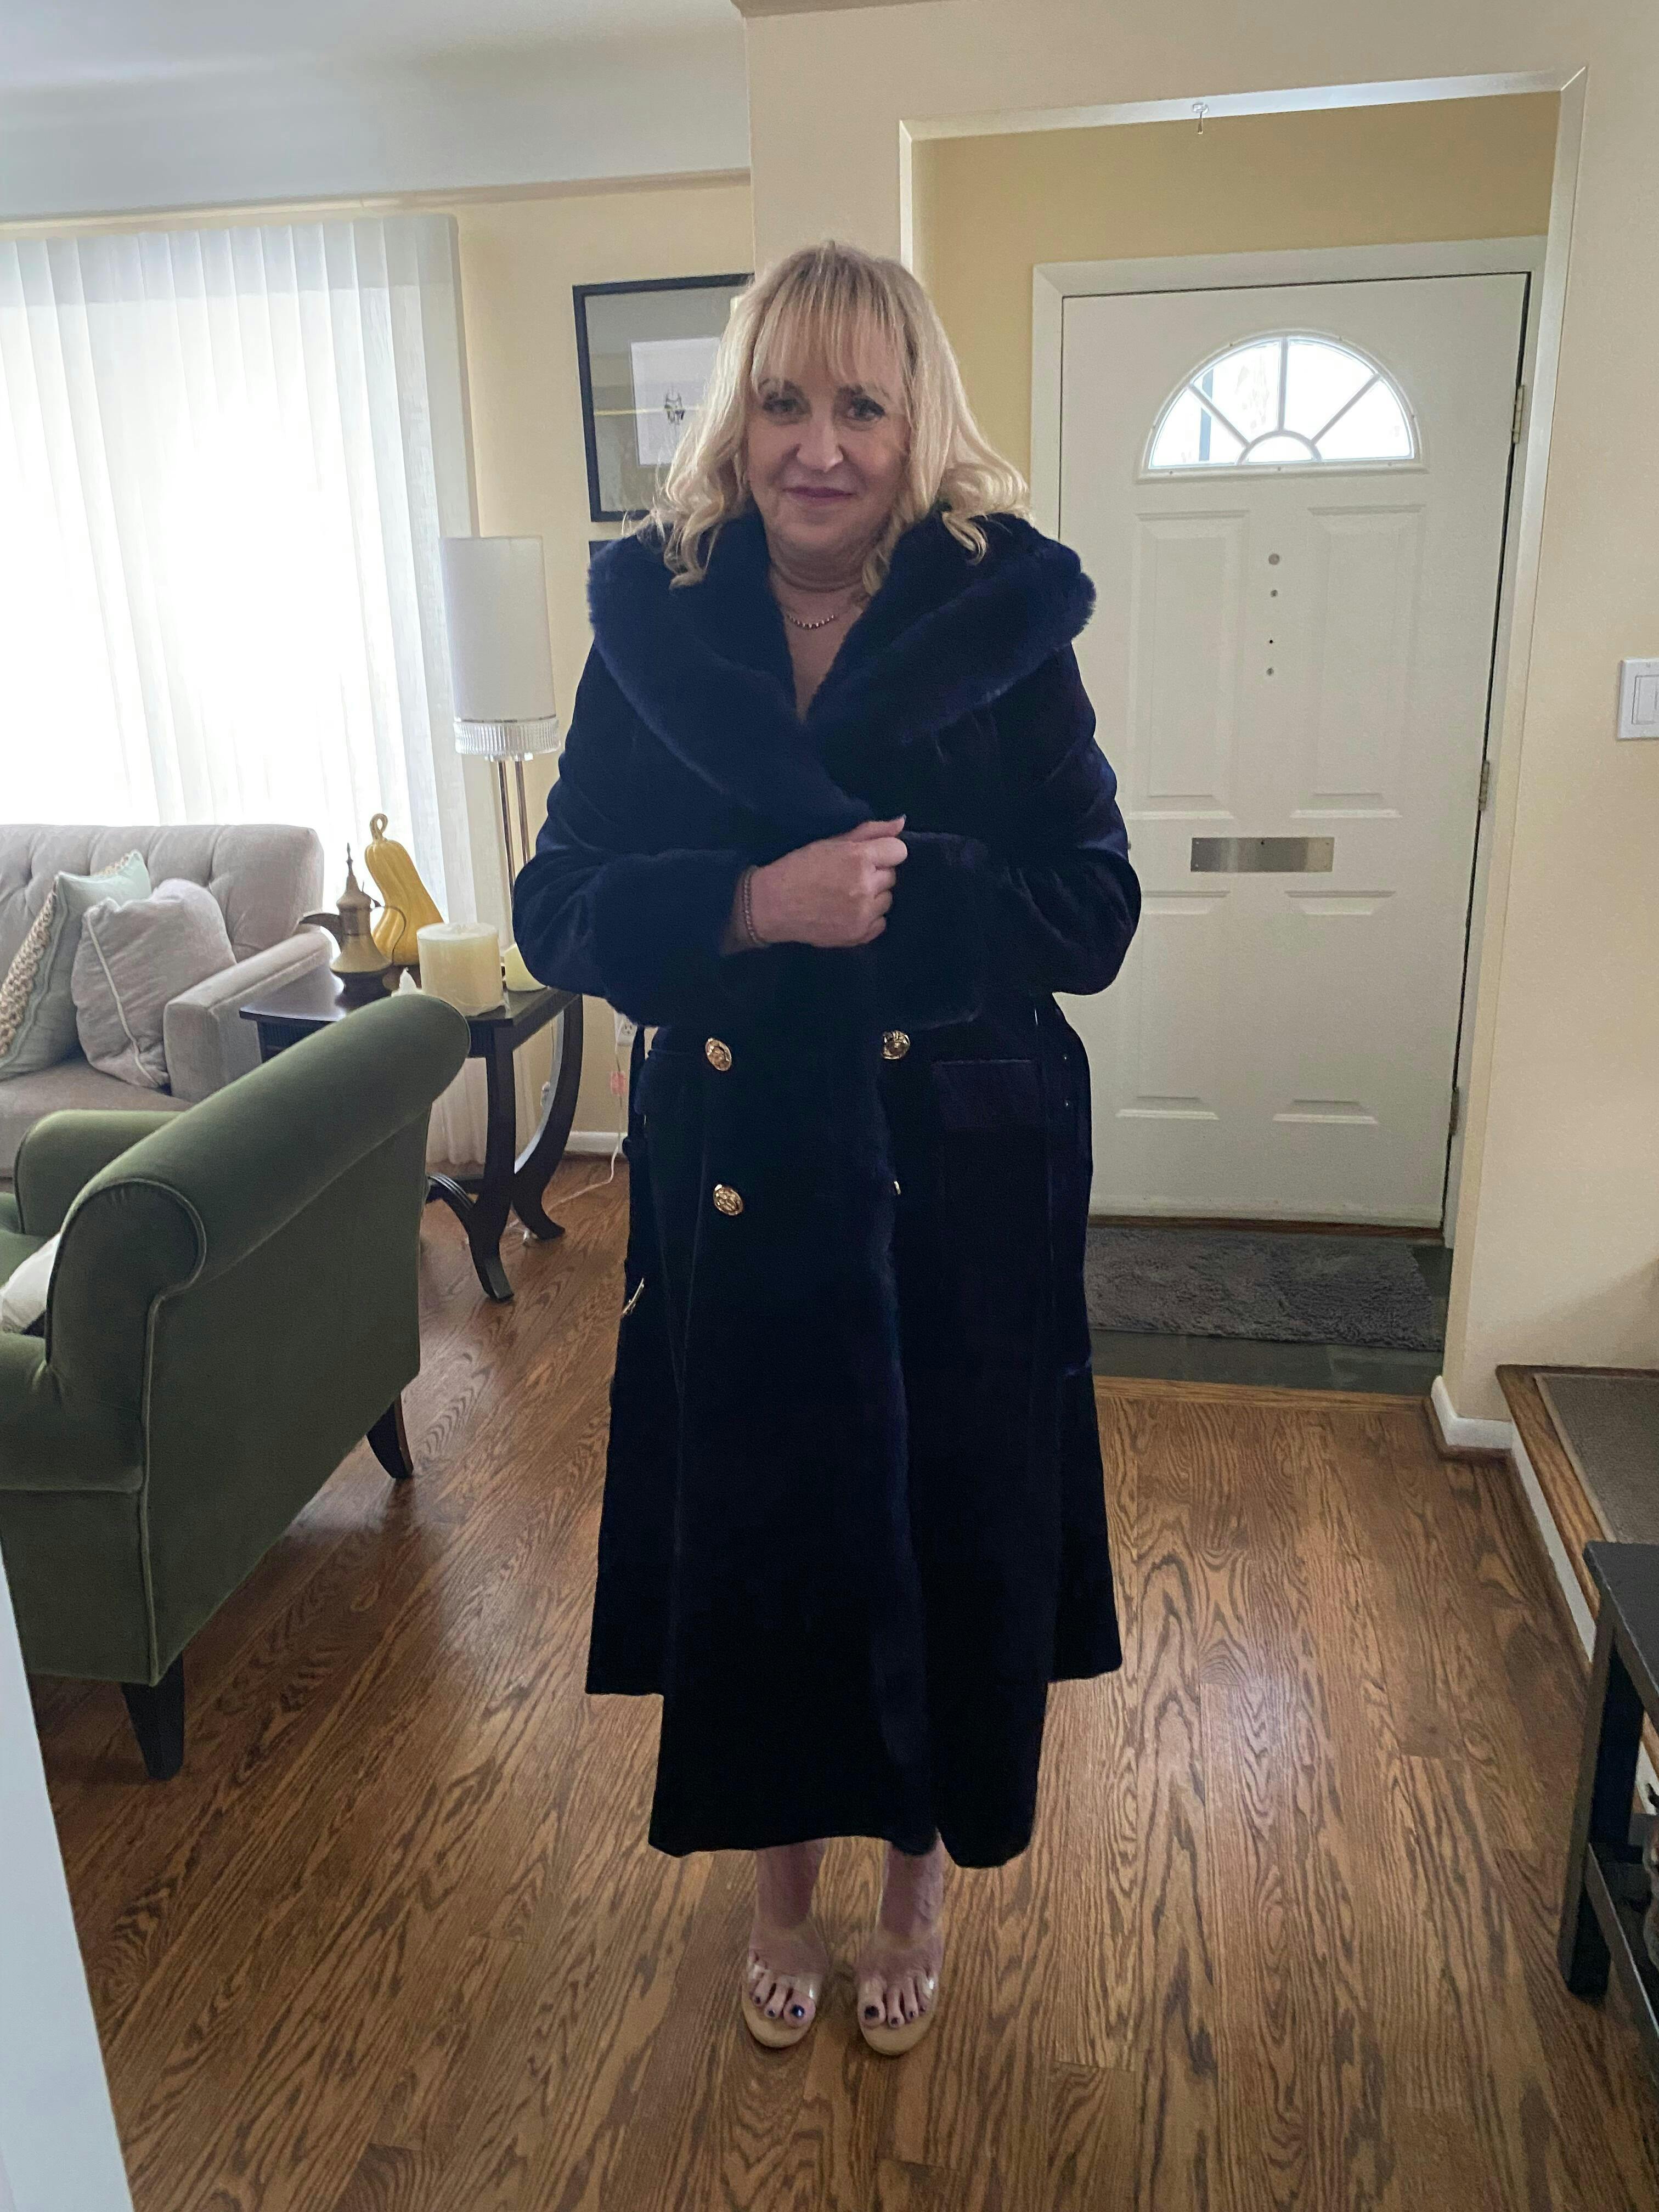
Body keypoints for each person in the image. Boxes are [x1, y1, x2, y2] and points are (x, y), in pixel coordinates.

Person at [514, 241, 1141, 2057]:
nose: (820, 446)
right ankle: (779, 1893)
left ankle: (916, 1891)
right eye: (784, 400)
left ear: (917, 419)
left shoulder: (1001, 622)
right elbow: (556, 906)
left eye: (863, 405)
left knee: (948, 1528)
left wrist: (913, 898)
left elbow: (1095, 907)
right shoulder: (656, 625)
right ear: (739, 414)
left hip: (958, 1168)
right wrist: (751, 903)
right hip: (744, 1163)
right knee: (768, 1530)